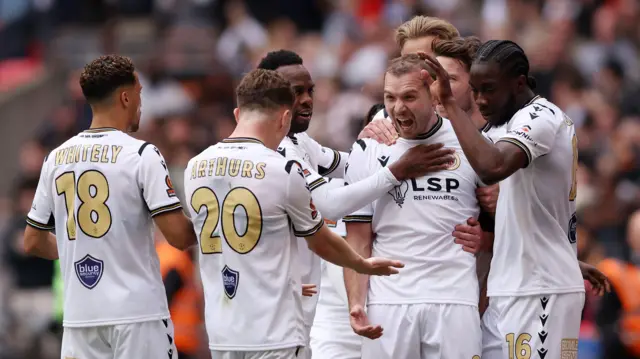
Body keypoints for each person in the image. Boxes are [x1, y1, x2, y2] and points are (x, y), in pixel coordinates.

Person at [182, 68, 403, 359]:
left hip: (223, 333)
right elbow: (320, 240)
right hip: (276, 333)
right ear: (285, 118)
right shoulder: (282, 170)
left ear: (238, 114)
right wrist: (361, 264)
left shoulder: (195, 166)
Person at [257, 50, 452, 359]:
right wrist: (396, 169)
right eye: (296, 93)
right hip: (276, 307)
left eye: (310, 90)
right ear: (268, 97)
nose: (307, 99)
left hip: (301, 301)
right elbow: (330, 205)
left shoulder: (297, 141)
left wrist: (372, 147)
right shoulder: (278, 149)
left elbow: (347, 166)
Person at [23, 54, 197, 359]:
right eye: (140, 94)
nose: (142, 104)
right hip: (137, 318)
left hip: (80, 320)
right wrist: (214, 218)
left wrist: (85, 249)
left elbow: (33, 240)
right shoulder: (142, 154)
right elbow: (179, 238)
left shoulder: (56, 158)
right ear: (126, 97)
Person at [421, 39, 587, 359]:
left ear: (519, 83)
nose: (481, 100)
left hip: (541, 287)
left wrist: (451, 105)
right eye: (475, 90)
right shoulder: (504, 125)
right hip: (508, 286)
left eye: (489, 89)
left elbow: (492, 166)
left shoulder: (540, 118)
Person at [343, 54, 489, 359]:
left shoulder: (469, 142)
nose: (398, 108)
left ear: (432, 95)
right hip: (389, 301)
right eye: (390, 98)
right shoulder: (369, 148)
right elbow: (358, 237)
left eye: (409, 96)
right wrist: (356, 302)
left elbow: (500, 223)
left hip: (454, 298)